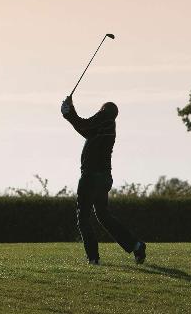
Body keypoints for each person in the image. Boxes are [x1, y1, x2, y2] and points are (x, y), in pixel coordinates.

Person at [61, 95, 146, 265]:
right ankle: (136, 245)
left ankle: (93, 258)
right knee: (103, 215)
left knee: (83, 217)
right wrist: (70, 112)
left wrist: (69, 113)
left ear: (103, 110)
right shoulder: (106, 126)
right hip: (104, 178)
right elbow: (86, 129)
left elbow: (84, 125)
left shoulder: (103, 118)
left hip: (91, 177)